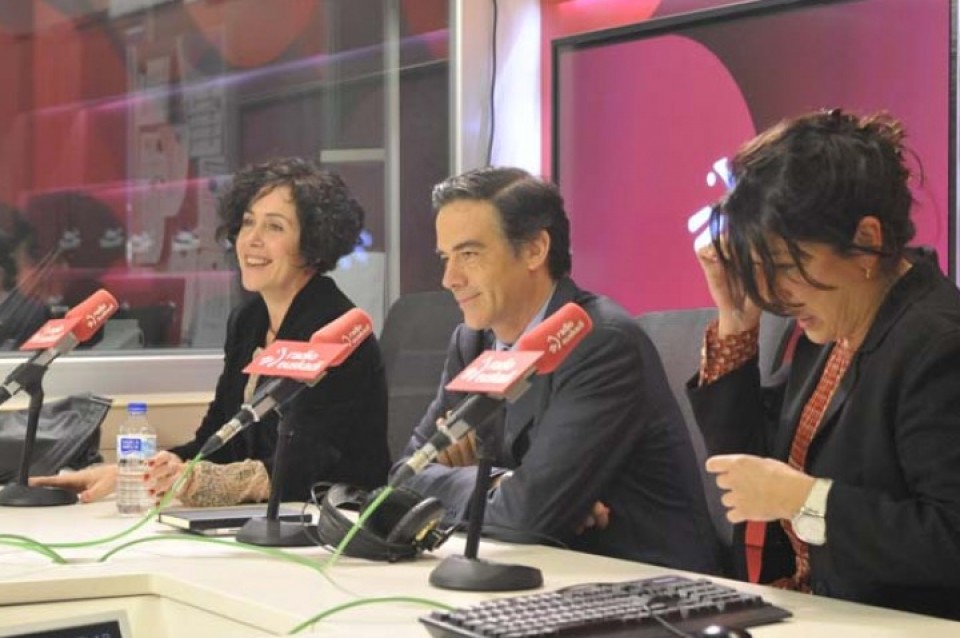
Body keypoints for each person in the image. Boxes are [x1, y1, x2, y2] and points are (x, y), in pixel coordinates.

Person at [691, 109, 960, 619]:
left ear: (868, 241)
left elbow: (950, 537)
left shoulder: (938, 343)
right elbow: (746, 475)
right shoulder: (833, 324)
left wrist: (807, 501)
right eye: (759, 269)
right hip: (802, 609)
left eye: (785, 267)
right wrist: (736, 321)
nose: (772, 293)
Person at [391, 167, 720, 573]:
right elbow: (404, 478)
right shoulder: (472, 342)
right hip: (539, 569)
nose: (450, 278)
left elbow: (525, 517)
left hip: (643, 583)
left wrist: (487, 486)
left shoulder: (600, 343)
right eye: (446, 257)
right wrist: (497, 482)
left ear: (535, 249)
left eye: (469, 255)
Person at [31, 157, 390, 506]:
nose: (252, 239)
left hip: (335, 516)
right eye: (248, 222)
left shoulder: (335, 331)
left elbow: (306, 469)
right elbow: (217, 442)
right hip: (261, 515)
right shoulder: (248, 321)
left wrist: (191, 481)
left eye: (275, 227)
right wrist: (133, 473)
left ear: (313, 244)